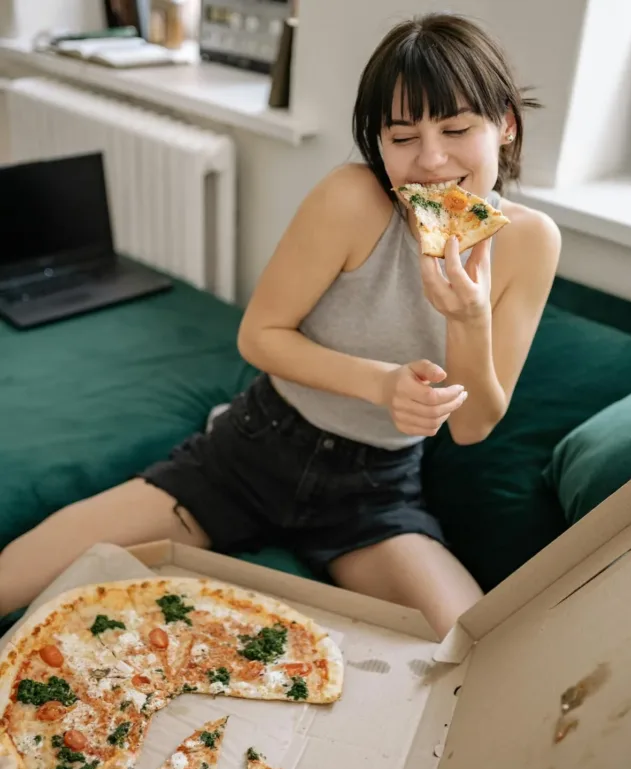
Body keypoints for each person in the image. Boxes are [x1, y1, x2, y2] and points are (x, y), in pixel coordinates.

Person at [0, 13, 560, 639]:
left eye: (456, 129)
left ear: (505, 125)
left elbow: (473, 425)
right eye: (402, 137)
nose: (431, 161)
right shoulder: (352, 198)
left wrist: (468, 320)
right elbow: (259, 336)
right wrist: (381, 384)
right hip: (253, 451)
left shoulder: (531, 242)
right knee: (16, 577)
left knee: (469, 644)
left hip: (374, 492)